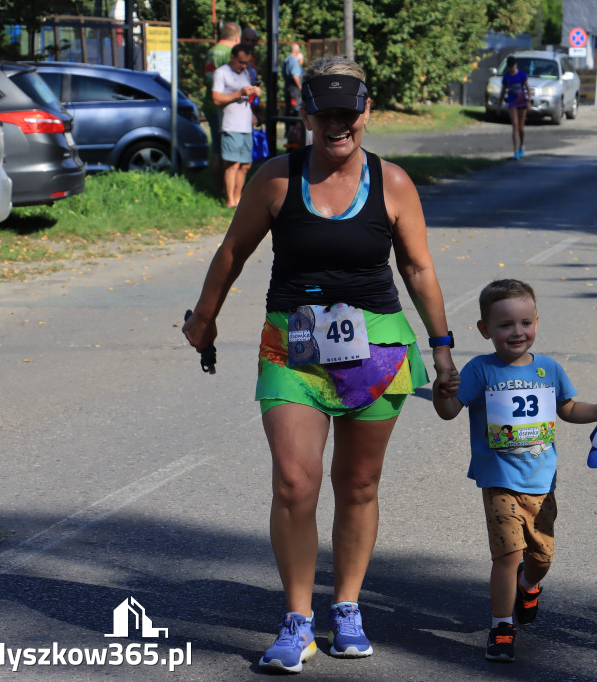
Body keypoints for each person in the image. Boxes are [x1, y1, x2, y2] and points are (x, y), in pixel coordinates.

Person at [182, 55, 457, 673]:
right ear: (305, 113)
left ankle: (350, 607)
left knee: (357, 484)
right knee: (294, 482)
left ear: (365, 112)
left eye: (347, 112)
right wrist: (204, 316)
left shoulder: (393, 185)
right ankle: (298, 620)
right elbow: (234, 250)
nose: (336, 125)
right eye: (323, 112)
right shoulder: (277, 180)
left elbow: (417, 268)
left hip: (379, 350)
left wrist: (441, 345)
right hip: (292, 346)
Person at [432, 279, 597, 663]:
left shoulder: (549, 370)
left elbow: (568, 409)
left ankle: (528, 586)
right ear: (485, 330)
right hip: (499, 480)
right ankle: (502, 626)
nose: (516, 332)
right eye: (505, 325)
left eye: (524, 323)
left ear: (536, 321)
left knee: (541, 559)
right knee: (507, 555)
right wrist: (442, 389)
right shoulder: (479, 370)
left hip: (542, 483)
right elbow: (450, 410)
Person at [212, 43, 260, 208]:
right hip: (231, 125)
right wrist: (239, 93)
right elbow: (217, 99)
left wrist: (254, 95)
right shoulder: (221, 72)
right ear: (232, 57)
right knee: (232, 164)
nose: (244, 65)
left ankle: (238, 199)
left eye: (246, 62)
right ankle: (229, 201)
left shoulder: (246, 72)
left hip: (246, 125)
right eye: (240, 62)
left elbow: (247, 97)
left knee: (246, 165)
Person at [204, 21, 241, 197]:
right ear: (236, 37)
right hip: (225, 106)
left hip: (209, 103)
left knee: (216, 149)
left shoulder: (211, 51)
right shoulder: (229, 53)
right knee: (228, 150)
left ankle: (217, 189)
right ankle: (229, 193)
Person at [500, 56, 530, 159]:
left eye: (512, 67)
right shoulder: (507, 77)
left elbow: (528, 89)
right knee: (515, 125)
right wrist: (499, 103)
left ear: (515, 65)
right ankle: (515, 151)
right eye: (509, 67)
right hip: (512, 103)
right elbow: (503, 91)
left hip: (522, 103)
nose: (511, 69)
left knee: (521, 128)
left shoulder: (521, 75)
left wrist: (529, 101)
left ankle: (522, 146)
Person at [283, 43, 305, 149]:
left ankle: (291, 137)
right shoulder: (293, 60)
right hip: (294, 91)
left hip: (289, 89)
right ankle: (294, 139)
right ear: (296, 50)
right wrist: (301, 87)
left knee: (290, 113)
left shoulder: (287, 59)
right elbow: (295, 75)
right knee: (295, 114)